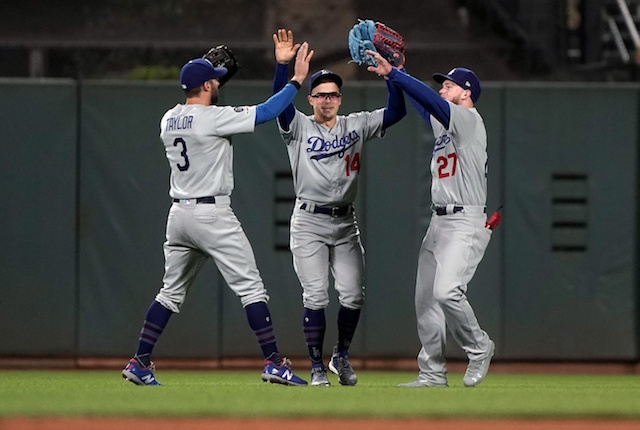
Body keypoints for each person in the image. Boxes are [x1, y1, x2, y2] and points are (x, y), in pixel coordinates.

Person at [121, 39, 314, 387]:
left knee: (169, 293)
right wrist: (296, 79)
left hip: (178, 217)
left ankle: (140, 361)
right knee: (252, 289)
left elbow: (198, 103)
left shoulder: (169, 119)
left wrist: (208, 78)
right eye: (214, 80)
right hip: (212, 215)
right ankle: (273, 362)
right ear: (208, 85)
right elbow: (269, 112)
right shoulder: (213, 118)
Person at [270, 29, 406, 386]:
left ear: (340, 99)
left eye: (333, 94)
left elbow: (396, 111)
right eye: (320, 95)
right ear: (311, 99)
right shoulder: (297, 127)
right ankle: (315, 366)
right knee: (315, 296)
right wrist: (284, 69)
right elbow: (278, 105)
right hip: (309, 221)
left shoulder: (356, 124)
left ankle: (340, 357)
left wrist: (392, 74)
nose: (327, 100)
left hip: (346, 223)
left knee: (353, 295)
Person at [366, 49, 495, 388]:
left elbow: (429, 101)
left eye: (449, 85)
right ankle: (433, 372)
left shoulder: (467, 120)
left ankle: (479, 346)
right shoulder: (446, 122)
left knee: (448, 291)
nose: (442, 89)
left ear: (466, 93)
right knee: (425, 299)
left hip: (465, 221)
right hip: (439, 223)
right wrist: (394, 73)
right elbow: (421, 103)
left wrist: (397, 73)